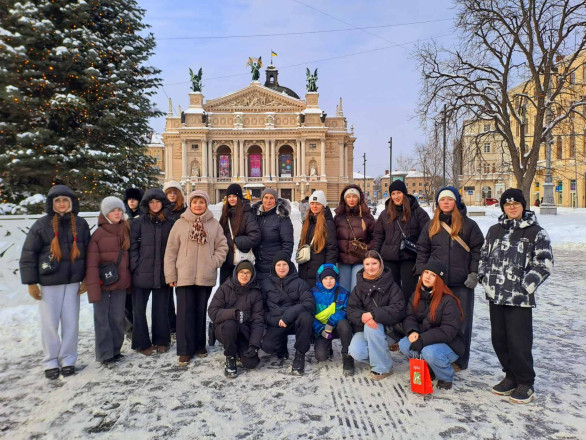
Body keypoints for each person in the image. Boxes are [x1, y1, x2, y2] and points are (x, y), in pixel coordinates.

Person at [478, 189, 553, 404]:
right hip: (496, 295)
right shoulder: (494, 230)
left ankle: (525, 382)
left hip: (519, 298)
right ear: (503, 207)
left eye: (516, 204)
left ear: (523, 205)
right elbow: (483, 256)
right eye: (507, 204)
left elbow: (544, 263)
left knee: (519, 341)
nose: (512, 207)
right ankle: (510, 376)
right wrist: (484, 278)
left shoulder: (536, 232)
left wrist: (526, 285)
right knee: (499, 339)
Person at [19, 185, 91, 379]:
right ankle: (50, 360)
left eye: (65, 200)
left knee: (71, 323)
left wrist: (86, 277)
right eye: (57, 201)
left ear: (71, 202)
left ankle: (68, 359)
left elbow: (88, 253)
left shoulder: (81, 224)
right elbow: (28, 254)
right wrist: (31, 282)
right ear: (52, 203)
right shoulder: (41, 225)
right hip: (49, 283)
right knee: (50, 323)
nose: (61, 204)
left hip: (73, 283)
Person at [416, 186, 484, 371]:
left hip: (462, 282)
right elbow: (423, 250)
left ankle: (460, 360)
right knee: (435, 320)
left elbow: (478, 250)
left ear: (456, 202)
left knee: (462, 322)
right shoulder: (431, 225)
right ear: (438, 203)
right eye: (442, 200)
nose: (446, 202)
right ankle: (437, 356)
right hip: (438, 282)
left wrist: (474, 272)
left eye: (450, 199)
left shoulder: (469, 225)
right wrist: (422, 273)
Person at [164, 190, 228, 365]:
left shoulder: (214, 224)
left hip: (205, 274)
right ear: (190, 204)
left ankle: (200, 345)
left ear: (206, 204)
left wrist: (214, 262)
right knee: (184, 313)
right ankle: (185, 350)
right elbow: (171, 251)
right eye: (195, 202)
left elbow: (222, 246)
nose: (198, 205)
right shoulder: (180, 224)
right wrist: (171, 274)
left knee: (200, 311)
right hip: (184, 275)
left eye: (201, 202)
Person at [398, 262, 465, 390]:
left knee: (429, 352)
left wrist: (423, 339)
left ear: (439, 280)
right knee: (404, 344)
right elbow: (409, 317)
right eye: (426, 272)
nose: (427, 277)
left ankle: (446, 377)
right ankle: (429, 368)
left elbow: (448, 331)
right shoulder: (416, 294)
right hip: (425, 338)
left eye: (433, 275)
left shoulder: (448, 301)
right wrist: (412, 331)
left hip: (449, 345)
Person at [86, 197, 132, 365]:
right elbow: (91, 264)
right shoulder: (98, 235)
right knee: (102, 319)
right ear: (106, 214)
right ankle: (105, 354)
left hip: (120, 283)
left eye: (119, 210)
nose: (117, 213)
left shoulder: (126, 230)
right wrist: (93, 288)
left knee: (117, 318)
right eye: (113, 211)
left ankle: (115, 350)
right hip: (103, 284)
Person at [129, 189, 175, 355]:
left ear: (163, 203)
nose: (155, 205)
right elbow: (132, 246)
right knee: (139, 310)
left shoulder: (170, 223)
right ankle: (141, 343)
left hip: (162, 272)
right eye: (151, 202)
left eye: (158, 202)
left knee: (161, 308)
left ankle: (162, 340)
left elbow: (174, 248)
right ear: (146, 204)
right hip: (141, 272)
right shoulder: (138, 222)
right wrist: (136, 265)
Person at [347, 251, 405, 380]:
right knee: (356, 351)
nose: (371, 267)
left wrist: (373, 314)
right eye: (367, 264)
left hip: (388, 331)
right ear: (363, 266)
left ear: (380, 264)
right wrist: (363, 317)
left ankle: (383, 368)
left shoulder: (392, 286)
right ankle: (382, 359)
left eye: (374, 263)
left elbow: (398, 309)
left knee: (372, 327)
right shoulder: (359, 287)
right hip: (364, 328)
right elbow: (351, 309)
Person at [372, 180, 430, 304]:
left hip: (410, 258)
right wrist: (375, 257)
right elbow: (378, 236)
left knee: (409, 292)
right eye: (393, 194)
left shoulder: (418, 212)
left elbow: (426, 237)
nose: (396, 196)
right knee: (392, 292)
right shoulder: (385, 214)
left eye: (399, 192)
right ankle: (394, 314)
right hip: (389, 258)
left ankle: (409, 314)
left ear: (404, 193)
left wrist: (421, 260)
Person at [261, 251, 315, 375]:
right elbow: (261, 309)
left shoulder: (299, 283)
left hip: (294, 321)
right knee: (268, 347)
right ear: (274, 267)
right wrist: (274, 320)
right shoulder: (266, 284)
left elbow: (309, 303)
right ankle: (281, 345)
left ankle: (300, 355)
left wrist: (289, 315)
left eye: (284, 264)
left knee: (306, 317)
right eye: (278, 265)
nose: (282, 268)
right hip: (276, 321)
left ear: (289, 265)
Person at [208, 260, 264, 378]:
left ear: (252, 275)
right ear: (236, 273)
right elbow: (212, 311)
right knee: (230, 324)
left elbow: (258, 320)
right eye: (241, 272)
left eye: (248, 272)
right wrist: (235, 314)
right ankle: (230, 357)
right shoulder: (225, 288)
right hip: (224, 329)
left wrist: (254, 345)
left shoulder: (256, 293)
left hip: (243, 331)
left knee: (251, 363)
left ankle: (238, 349)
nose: (244, 275)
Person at [311, 264, 354, 376]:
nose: (329, 281)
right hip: (322, 329)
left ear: (336, 279)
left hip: (337, 326)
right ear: (320, 279)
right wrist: (321, 330)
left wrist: (331, 322)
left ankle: (347, 355)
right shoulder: (313, 293)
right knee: (321, 356)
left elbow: (345, 310)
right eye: (325, 278)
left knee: (344, 324)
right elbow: (310, 314)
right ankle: (327, 346)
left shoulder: (343, 293)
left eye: (331, 278)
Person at [334, 185, 375, 293]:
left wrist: (366, 248)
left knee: (356, 290)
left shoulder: (367, 217)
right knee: (343, 290)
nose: (351, 199)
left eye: (354, 196)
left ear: (359, 198)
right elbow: (333, 238)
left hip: (360, 259)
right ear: (344, 199)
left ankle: (355, 305)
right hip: (343, 260)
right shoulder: (338, 217)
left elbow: (375, 237)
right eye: (348, 197)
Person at [218, 183, 261, 284]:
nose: (231, 199)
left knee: (239, 290)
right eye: (229, 196)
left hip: (240, 262)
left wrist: (236, 241)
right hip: (226, 261)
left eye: (234, 196)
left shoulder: (247, 215)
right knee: (225, 290)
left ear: (239, 197)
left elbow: (255, 236)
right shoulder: (225, 213)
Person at [251, 188, 294, 284]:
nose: (268, 201)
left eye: (271, 198)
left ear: (275, 200)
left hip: (274, 266)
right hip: (258, 264)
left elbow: (288, 244)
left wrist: (281, 263)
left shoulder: (282, 217)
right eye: (266, 197)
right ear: (262, 199)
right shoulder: (256, 215)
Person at [297, 190, 338, 286]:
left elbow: (332, 249)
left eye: (318, 203)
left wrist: (328, 270)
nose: (314, 206)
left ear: (323, 205)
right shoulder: (307, 221)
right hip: (305, 266)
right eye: (312, 203)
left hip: (320, 268)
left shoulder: (328, 223)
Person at [163, 180, 186, 334]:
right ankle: (171, 323)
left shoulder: (184, 212)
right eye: (169, 192)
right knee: (167, 294)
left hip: (183, 257)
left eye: (175, 192)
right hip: (166, 255)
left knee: (183, 294)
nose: (172, 195)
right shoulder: (161, 212)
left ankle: (182, 323)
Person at [122, 187, 144, 338]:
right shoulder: (122, 216)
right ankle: (129, 328)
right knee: (126, 299)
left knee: (137, 299)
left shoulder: (143, 216)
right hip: (125, 261)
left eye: (134, 199)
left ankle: (138, 327)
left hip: (139, 261)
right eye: (129, 199)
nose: (131, 201)